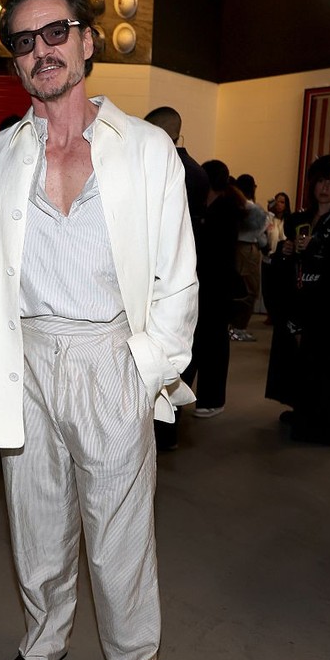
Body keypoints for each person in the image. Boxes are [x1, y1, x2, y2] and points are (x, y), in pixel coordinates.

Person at [0, 0, 198, 660]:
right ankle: (42, 643)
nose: (41, 51)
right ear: (14, 62)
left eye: (56, 33)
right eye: (23, 41)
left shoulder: (148, 152)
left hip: (110, 355)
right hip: (28, 359)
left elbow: (178, 279)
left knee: (120, 540)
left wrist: (143, 370)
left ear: (87, 41)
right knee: (36, 525)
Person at [265, 155, 330, 445]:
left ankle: (325, 424)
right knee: (297, 358)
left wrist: (317, 249)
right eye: (321, 181)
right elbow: (286, 262)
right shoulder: (299, 218)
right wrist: (286, 252)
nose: (324, 188)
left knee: (326, 361)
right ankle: (301, 408)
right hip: (300, 299)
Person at [144, 105, 210, 449]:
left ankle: (162, 429)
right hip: (187, 270)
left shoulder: (165, 167)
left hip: (165, 271)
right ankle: (167, 428)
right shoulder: (196, 171)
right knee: (181, 347)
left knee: (165, 351)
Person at [183, 159, 245, 418]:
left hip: (218, 284)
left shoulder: (228, 207)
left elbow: (219, 250)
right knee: (195, 339)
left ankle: (212, 398)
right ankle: (187, 393)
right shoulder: (200, 205)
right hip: (200, 282)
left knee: (215, 342)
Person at [229, 173, 268, 341]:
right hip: (247, 249)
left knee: (236, 287)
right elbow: (260, 234)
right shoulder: (252, 208)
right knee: (249, 289)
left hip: (233, 249)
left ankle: (233, 325)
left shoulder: (232, 204)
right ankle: (239, 327)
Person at [261, 191, 291, 322]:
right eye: (277, 201)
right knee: (267, 288)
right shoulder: (269, 218)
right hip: (269, 258)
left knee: (279, 288)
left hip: (283, 260)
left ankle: (278, 313)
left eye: (282, 202)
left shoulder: (289, 220)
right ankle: (270, 313)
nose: (279, 205)